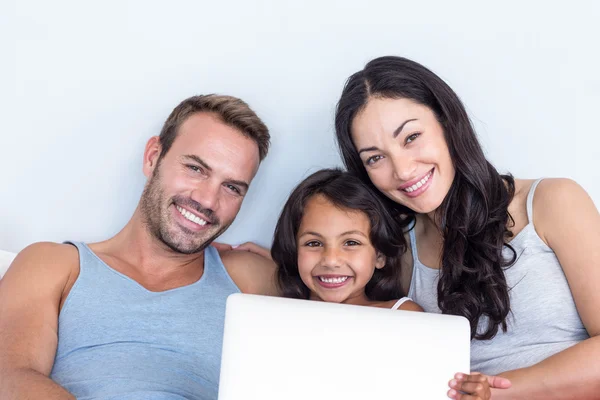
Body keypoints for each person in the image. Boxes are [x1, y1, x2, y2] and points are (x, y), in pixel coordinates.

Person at [334, 56, 600, 399]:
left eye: (411, 136)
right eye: (375, 157)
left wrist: (500, 392)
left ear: (448, 124)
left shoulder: (552, 202)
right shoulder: (397, 252)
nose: (401, 170)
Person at [0, 94, 278, 400]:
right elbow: (11, 376)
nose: (208, 201)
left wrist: (299, 265)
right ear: (153, 157)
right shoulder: (54, 264)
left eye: (232, 188)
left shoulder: (249, 277)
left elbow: (332, 330)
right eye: (196, 169)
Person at [271, 167, 509, 400]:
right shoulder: (273, 318)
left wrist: (471, 393)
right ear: (294, 251)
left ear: (379, 256)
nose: (331, 260)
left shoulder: (403, 316)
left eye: (351, 243)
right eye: (313, 243)